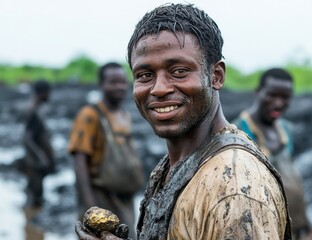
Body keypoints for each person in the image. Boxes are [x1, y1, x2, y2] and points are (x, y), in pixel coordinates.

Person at [75, 3, 292, 240]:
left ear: (216, 76)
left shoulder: (234, 187)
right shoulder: (176, 165)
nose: (159, 89)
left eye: (178, 71)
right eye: (145, 75)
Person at [68, 62, 144, 238]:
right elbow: (79, 162)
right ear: (101, 85)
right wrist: (91, 208)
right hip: (101, 197)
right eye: (113, 82)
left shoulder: (124, 115)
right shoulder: (90, 115)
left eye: (123, 82)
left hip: (124, 199)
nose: (120, 87)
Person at [234, 68, 312, 239]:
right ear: (258, 92)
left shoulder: (285, 130)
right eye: (272, 95)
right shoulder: (238, 133)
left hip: (299, 228)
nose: (278, 103)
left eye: (285, 97)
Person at [23, 80, 55, 208]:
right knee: (35, 194)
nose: (50, 96)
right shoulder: (33, 112)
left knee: (35, 190)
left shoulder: (36, 109)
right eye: (48, 93)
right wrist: (41, 156)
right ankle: (31, 221)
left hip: (35, 159)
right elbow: (26, 138)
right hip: (35, 161)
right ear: (43, 93)